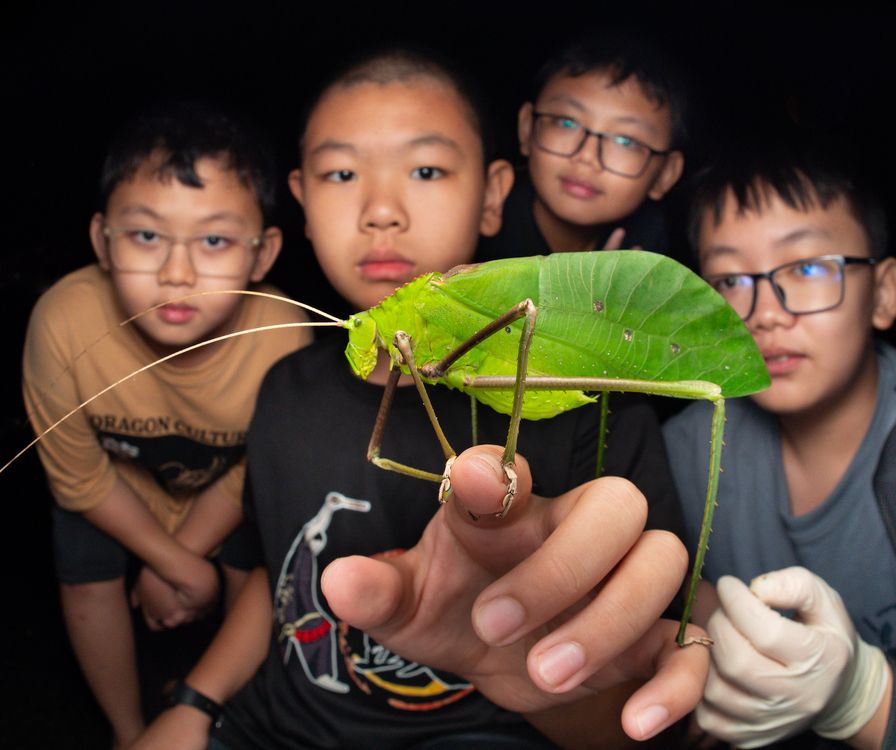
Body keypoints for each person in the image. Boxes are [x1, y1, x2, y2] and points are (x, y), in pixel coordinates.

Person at [132, 46, 710, 750]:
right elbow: (278, 573)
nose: (381, 212)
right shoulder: (285, 390)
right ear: (302, 201)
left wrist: (555, 663)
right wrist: (197, 701)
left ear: (497, 193)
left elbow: (624, 712)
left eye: (427, 169)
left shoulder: (610, 421)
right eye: (342, 173)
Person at [662, 144, 896, 748]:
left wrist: (860, 697)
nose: (764, 313)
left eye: (809, 267)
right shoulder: (684, 453)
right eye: (730, 280)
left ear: (885, 293)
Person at [21, 102, 312, 748]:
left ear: (262, 253)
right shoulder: (62, 322)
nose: (177, 275)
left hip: (226, 498)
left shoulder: (286, 336)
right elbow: (78, 477)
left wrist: (188, 564)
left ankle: (229, 707)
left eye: (214, 241)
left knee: (263, 550)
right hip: (115, 495)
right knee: (82, 562)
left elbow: (255, 471)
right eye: (146, 236)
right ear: (102, 241)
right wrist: (180, 566)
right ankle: (129, 732)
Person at [476, 27, 686, 261]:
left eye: (625, 141)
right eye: (567, 123)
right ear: (526, 129)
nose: (586, 156)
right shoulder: (475, 218)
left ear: (665, 174)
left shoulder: (648, 243)